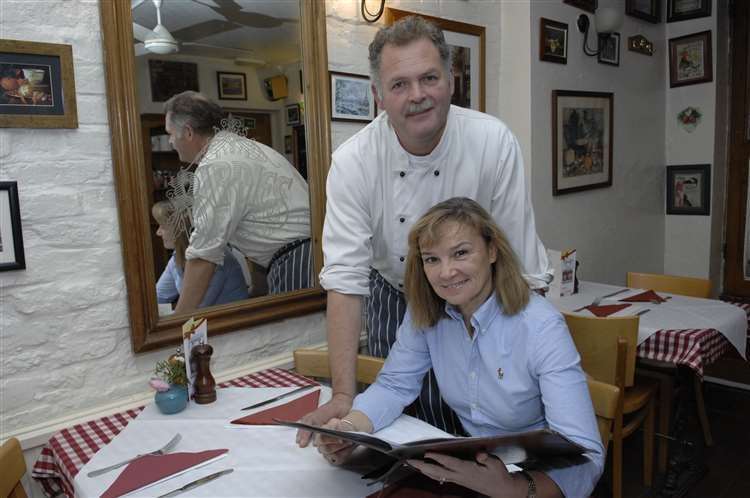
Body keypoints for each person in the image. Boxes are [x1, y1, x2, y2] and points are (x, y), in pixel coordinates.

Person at [299, 15, 552, 440]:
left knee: (485, 416)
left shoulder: (493, 142)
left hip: (482, 298)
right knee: (395, 420)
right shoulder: (353, 162)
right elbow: (345, 280)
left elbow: (520, 262)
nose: (417, 96)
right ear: (378, 96)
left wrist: (525, 359)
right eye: (399, 85)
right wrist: (343, 394)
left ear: (451, 81)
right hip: (394, 293)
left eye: (429, 78)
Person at [313, 197, 603, 498]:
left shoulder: (541, 326)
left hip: (536, 480)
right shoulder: (425, 313)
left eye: (460, 253)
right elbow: (394, 386)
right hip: (474, 473)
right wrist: (349, 430)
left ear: (492, 251)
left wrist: (514, 489)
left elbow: (588, 457)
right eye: (432, 259)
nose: (446, 272)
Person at [162, 91, 313, 313]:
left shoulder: (216, 166)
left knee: (301, 342)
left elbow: (204, 255)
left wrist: (178, 322)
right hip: (306, 253)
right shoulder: (245, 148)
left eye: (170, 134)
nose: (170, 141)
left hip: (297, 260)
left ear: (188, 132)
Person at [152, 200, 249, 308]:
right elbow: (158, 297)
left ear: (180, 230)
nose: (158, 232)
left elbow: (194, 309)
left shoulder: (212, 256)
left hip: (234, 322)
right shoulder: (177, 257)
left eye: (163, 226)